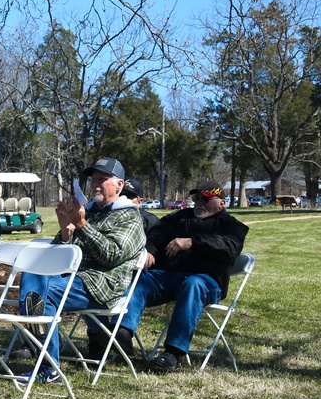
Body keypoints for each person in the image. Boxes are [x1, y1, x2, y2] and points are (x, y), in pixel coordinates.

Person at [17, 157, 145, 385]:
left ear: (119, 185)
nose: (95, 183)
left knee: (44, 295)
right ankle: (35, 322)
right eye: (93, 178)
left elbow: (112, 255)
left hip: (101, 285)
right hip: (72, 278)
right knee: (33, 272)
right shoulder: (87, 211)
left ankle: (45, 359)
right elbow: (54, 257)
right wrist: (66, 232)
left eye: (103, 179)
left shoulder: (130, 217)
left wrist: (82, 226)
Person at [119, 180, 248, 372]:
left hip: (207, 280)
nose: (199, 203)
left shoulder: (232, 226)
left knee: (193, 284)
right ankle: (122, 334)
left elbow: (228, 248)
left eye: (206, 199)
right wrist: (151, 251)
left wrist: (193, 242)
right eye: (196, 199)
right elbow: (157, 234)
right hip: (169, 276)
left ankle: (173, 352)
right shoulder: (180, 217)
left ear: (221, 202)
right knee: (141, 279)